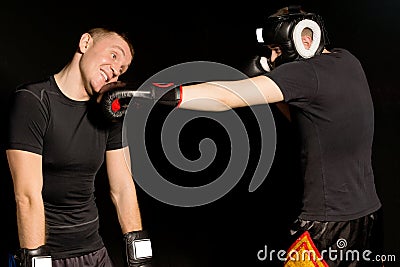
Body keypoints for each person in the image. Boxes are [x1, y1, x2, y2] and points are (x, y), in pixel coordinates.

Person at [98, 6, 382, 267]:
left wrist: (146, 94)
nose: (271, 58)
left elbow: (223, 97)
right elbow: (309, 118)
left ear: (303, 40)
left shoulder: (304, 74)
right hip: (369, 218)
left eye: (274, 49)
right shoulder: (348, 61)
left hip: (325, 226)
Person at [6, 27, 153, 267]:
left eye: (122, 69)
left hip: (93, 250)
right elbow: (27, 196)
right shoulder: (33, 100)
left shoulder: (110, 110)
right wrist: (37, 260)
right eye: (114, 56)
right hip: (45, 253)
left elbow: (123, 188)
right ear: (85, 43)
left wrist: (141, 258)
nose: (116, 70)